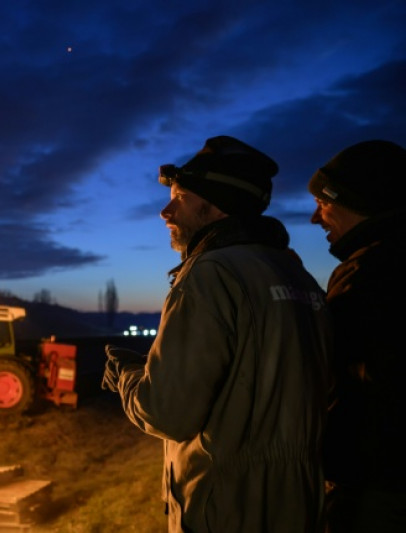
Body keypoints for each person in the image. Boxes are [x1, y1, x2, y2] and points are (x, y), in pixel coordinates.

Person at [101, 135, 332, 532]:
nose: (165, 211)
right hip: (298, 503)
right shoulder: (299, 277)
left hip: (225, 507)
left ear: (214, 205)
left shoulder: (210, 276)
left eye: (181, 197)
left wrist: (127, 376)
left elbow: (167, 411)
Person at [307, 139, 406, 533]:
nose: (316, 219)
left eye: (323, 202)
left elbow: (331, 368)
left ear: (356, 201)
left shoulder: (372, 271)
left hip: (377, 486)